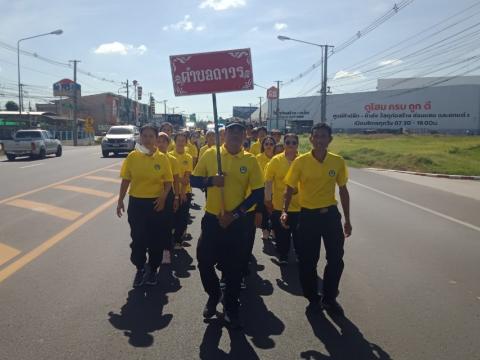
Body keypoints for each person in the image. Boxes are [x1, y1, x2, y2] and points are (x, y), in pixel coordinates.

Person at [191, 122, 264, 329]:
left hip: (238, 223)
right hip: (213, 219)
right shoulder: (211, 155)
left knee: (234, 268)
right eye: (231, 131)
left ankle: (231, 306)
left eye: (240, 132)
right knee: (204, 261)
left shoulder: (250, 160)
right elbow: (194, 180)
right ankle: (214, 295)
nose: (235, 135)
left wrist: (234, 215)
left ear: (244, 136)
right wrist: (211, 181)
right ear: (224, 135)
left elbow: (258, 193)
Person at [283, 123, 352, 315]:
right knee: (307, 261)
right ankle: (313, 298)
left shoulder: (337, 161)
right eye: (316, 137)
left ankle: (329, 298)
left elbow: (343, 190)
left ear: (329, 139)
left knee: (336, 259)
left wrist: (347, 220)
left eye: (324, 137)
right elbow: (289, 188)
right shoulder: (300, 162)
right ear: (311, 139)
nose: (320, 140)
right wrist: (284, 211)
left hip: (330, 215)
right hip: (308, 217)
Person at [117, 124, 173, 287]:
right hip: (137, 203)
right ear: (140, 137)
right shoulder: (133, 156)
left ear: (156, 139)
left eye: (151, 136)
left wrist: (163, 198)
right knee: (138, 239)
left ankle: (153, 269)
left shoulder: (162, 158)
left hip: (156, 203)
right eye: (145, 136)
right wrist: (120, 200)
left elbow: (169, 182)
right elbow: (126, 179)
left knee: (156, 239)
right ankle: (140, 268)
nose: (148, 139)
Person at [265, 133, 300, 265]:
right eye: (288, 142)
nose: (290, 145)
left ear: (297, 145)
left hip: (299, 206)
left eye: (293, 143)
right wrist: (267, 200)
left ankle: (300, 255)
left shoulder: (303, 160)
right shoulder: (276, 160)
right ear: (284, 144)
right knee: (282, 235)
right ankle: (283, 255)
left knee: (299, 235)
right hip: (279, 205)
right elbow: (268, 181)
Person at [157, 132, 181, 264]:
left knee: (167, 223)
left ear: (168, 143)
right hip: (152, 195)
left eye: (164, 141)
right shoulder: (150, 157)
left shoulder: (172, 159)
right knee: (154, 224)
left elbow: (176, 180)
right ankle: (155, 250)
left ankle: (166, 251)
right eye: (158, 141)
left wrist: (176, 197)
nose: (161, 144)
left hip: (169, 195)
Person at [169, 132, 193, 250]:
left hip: (185, 192)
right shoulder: (169, 156)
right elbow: (170, 177)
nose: (180, 143)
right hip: (171, 191)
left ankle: (178, 240)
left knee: (183, 218)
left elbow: (187, 178)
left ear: (186, 142)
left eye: (183, 140)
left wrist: (182, 193)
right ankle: (170, 239)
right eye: (178, 140)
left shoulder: (188, 157)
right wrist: (178, 179)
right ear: (174, 141)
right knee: (172, 217)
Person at [256, 136, 276, 241]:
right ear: (263, 146)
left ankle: (273, 229)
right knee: (263, 211)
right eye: (266, 144)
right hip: (262, 189)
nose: (269, 146)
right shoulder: (258, 158)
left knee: (274, 211)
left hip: (276, 190)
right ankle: (265, 230)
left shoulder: (278, 158)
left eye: (271, 144)